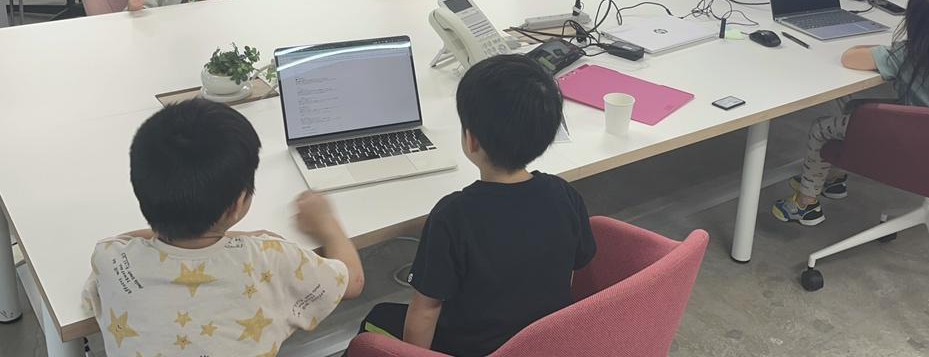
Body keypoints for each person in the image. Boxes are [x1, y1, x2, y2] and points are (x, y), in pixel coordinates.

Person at [82, 99, 365, 356]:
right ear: (236, 205)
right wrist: (327, 224)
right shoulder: (270, 256)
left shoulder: (111, 259)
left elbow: (126, 239)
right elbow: (352, 282)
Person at [357, 55, 596, 356]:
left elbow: (427, 310)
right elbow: (573, 269)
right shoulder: (565, 195)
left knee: (376, 318)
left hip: (470, 347)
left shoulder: (453, 216)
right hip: (542, 343)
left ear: (471, 141)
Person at [773, 0, 929, 226]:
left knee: (822, 128)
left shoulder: (913, 56)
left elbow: (850, 58)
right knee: (853, 105)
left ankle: (805, 204)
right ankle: (833, 177)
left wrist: (883, 47)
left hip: (918, 137)